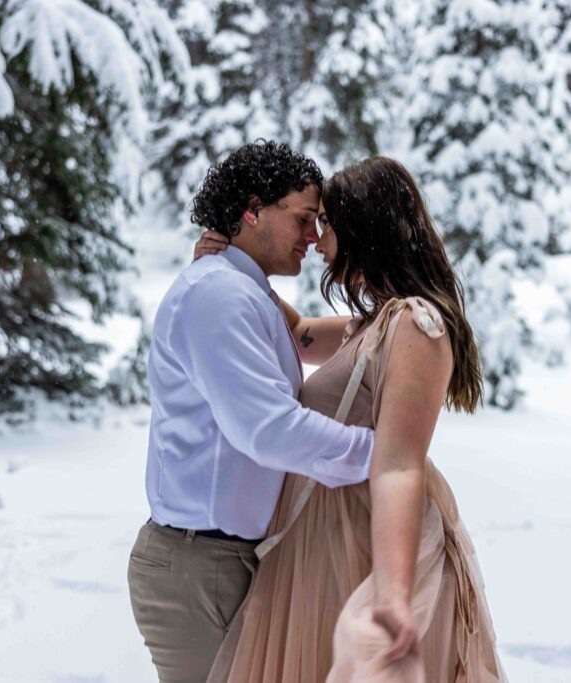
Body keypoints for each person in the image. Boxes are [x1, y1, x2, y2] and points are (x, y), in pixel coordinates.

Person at [196, 156, 506, 682]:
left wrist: (391, 593)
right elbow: (298, 334)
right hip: (329, 539)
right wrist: (233, 261)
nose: (317, 239)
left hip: (365, 544)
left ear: (364, 229)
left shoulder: (415, 325)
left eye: (328, 224)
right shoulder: (377, 323)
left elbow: (400, 466)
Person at [127, 141, 377, 683]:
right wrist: (383, 456)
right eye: (305, 219)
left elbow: (303, 337)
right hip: (201, 567)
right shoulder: (219, 294)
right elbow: (267, 430)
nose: (314, 238)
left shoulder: (242, 291)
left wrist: (401, 325)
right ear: (251, 209)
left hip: (226, 561)